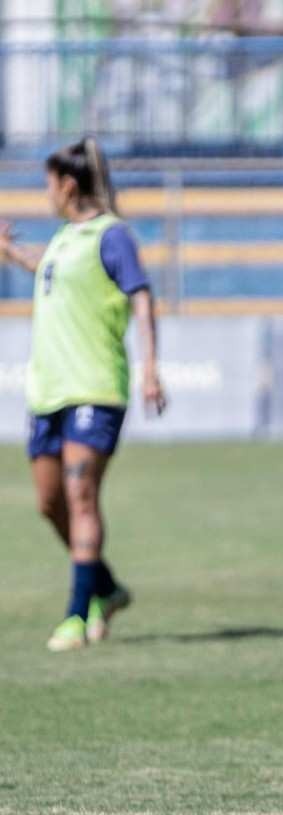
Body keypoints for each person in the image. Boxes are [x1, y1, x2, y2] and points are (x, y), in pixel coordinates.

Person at [0, 138, 166, 652]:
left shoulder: (111, 235)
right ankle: (107, 587)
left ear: (67, 185)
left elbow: (140, 296)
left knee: (81, 495)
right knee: (50, 503)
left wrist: (151, 366)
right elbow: (50, 273)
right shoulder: (63, 240)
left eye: (48, 184)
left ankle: (76, 616)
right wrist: (11, 253)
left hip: (94, 386)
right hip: (48, 391)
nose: (45, 194)